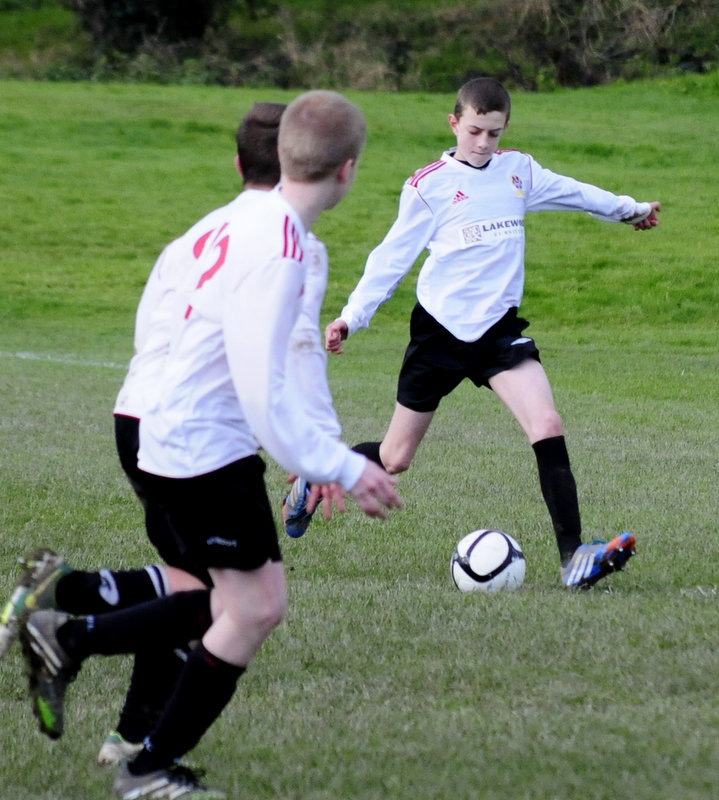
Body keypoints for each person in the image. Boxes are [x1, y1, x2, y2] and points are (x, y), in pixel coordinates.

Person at [20, 90, 401, 800]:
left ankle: (78, 651)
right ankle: (144, 763)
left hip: (172, 431)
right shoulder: (282, 246)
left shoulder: (252, 225)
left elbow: (274, 359)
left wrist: (318, 448)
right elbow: (263, 384)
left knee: (221, 600)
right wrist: (338, 463)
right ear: (348, 170)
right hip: (201, 445)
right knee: (251, 608)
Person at [319, 76, 660, 589]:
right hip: (439, 332)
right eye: (475, 130)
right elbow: (390, 260)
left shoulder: (517, 172)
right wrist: (351, 317)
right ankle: (317, 473)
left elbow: (575, 194)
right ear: (454, 122)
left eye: (494, 134)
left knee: (546, 421)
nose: (483, 143)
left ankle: (574, 559)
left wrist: (629, 210)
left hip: (498, 332)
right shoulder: (427, 185)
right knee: (394, 459)